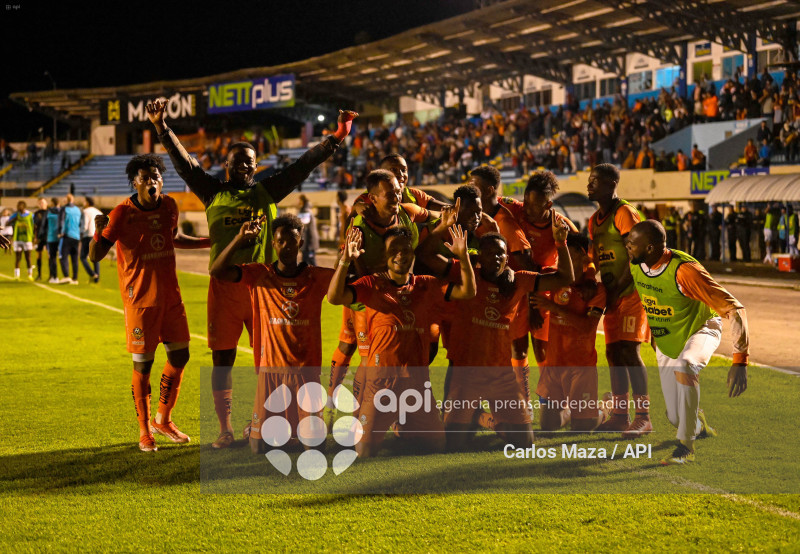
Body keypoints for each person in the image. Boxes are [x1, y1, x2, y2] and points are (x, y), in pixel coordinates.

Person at [148, 99, 357, 449]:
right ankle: (225, 429)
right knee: (223, 360)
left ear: (256, 167)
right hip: (225, 288)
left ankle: (263, 421)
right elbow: (185, 164)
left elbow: (302, 165)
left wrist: (336, 137)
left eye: (249, 161)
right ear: (227, 165)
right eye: (237, 161)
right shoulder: (211, 191)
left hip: (264, 291)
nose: (243, 165)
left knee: (267, 362)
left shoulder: (267, 191)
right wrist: (161, 126)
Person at [88, 154, 210, 452]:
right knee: (144, 365)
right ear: (135, 182)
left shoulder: (169, 205)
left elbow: (172, 238)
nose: (152, 182)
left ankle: (163, 419)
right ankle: (144, 431)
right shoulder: (121, 214)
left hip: (171, 297)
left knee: (180, 357)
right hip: (140, 302)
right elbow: (95, 254)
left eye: (156, 177)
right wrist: (97, 230)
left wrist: (209, 241)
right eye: (145, 178)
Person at [327, 224, 476, 458]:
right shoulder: (372, 284)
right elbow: (334, 297)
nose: (400, 254)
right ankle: (384, 421)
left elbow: (468, 291)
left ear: (413, 252)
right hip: (381, 383)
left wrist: (463, 256)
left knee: (437, 445)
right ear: (385, 254)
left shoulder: (426, 284)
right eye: (393, 249)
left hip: (417, 383)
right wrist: (345, 260)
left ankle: (402, 424)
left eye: (405, 249)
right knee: (365, 452)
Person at [625, 220, 748, 464]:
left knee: (687, 364)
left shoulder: (685, 271)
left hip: (702, 328)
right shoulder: (637, 266)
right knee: (676, 417)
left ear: (650, 248)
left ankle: (686, 450)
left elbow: (735, 309)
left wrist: (740, 361)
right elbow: (652, 300)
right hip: (668, 339)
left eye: (632, 243)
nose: (627, 247)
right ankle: (697, 423)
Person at [209, 214, 334, 453]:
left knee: (312, 447)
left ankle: (299, 429)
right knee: (257, 447)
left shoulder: (317, 277)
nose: (287, 246)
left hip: (306, 374)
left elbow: (347, 284)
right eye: (281, 241)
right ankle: (255, 428)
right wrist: (238, 239)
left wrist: (348, 259)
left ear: (301, 242)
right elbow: (217, 271)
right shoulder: (258, 275)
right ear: (273, 244)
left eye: (292, 240)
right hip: (270, 373)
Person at [327, 170, 438, 406]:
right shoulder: (360, 225)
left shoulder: (406, 213)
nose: (397, 197)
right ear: (372, 198)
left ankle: (397, 410)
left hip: (394, 301)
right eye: (391, 194)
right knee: (364, 357)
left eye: (398, 191)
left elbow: (438, 216)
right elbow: (341, 268)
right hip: (365, 302)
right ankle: (350, 410)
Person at [586, 164, 651, 438]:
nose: (589, 185)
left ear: (612, 183)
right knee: (612, 353)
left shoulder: (624, 213)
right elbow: (594, 258)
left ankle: (644, 417)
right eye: (589, 180)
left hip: (630, 292)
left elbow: (636, 254)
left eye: (595, 180)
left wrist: (617, 288)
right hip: (611, 294)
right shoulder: (593, 221)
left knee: (628, 352)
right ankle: (620, 415)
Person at [532, 232, 608, 432]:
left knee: (582, 427)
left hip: (581, 367)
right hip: (554, 365)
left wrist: (554, 307)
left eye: (569, 254)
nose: (562, 259)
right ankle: (568, 410)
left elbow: (586, 328)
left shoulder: (596, 290)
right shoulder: (552, 278)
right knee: (548, 426)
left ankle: (605, 408)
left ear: (583, 255)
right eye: (560, 253)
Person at [58, 193, 82, 285]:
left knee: (63, 256)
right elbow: (80, 223)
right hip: (76, 236)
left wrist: (60, 232)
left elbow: (61, 221)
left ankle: (66, 276)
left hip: (67, 235)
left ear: (66, 200)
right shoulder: (78, 210)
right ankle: (75, 278)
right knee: (75, 258)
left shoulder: (64, 209)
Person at [7, 201, 35, 280]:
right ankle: (17, 275)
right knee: (18, 258)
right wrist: (14, 219)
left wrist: (34, 237)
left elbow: (35, 225)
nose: (18, 208)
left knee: (28, 257)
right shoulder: (16, 215)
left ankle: (30, 274)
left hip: (27, 239)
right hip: (17, 239)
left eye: (20, 206)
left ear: (24, 207)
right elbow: (7, 223)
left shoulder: (30, 215)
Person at [80, 197, 102, 283]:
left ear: (88, 203)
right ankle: (96, 279)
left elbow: (84, 226)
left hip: (88, 236)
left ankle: (92, 274)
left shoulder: (86, 212)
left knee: (82, 257)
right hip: (97, 235)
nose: (83, 203)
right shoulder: (98, 212)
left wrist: (80, 232)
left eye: (84, 201)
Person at [296, 194, 318, 266]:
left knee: (309, 262)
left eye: (299, 200)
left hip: (308, 243)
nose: (298, 202)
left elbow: (304, 227)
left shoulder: (305, 211)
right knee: (308, 261)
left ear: (302, 201)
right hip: (308, 242)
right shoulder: (306, 210)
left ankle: (317, 276)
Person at [44, 198, 61, 283]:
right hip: (61, 237)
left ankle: (54, 277)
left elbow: (44, 225)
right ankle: (68, 277)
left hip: (51, 237)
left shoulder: (49, 212)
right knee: (62, 257)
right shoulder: (62, 211)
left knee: (52, 257)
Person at [33, 197, 49, 281]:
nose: (41, 204)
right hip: (39, 236)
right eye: (40, 203)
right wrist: (35, 237)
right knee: (38, 255)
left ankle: (51, 275)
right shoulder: (36, 213)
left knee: (49, 255)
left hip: (48, 236)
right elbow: (35, 226)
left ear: (46, 203)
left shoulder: (49, 212)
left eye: (43, 202)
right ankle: (39, 275)